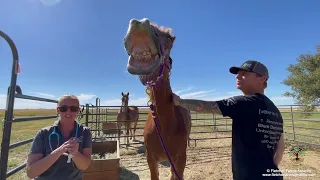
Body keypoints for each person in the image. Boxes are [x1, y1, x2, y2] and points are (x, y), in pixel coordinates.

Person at [172, 60, 285, 180]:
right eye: (238, 73)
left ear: (262, 79)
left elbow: (206, 107)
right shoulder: (275, 111)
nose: (237, 76)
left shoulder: (245, 102)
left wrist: (179, 102)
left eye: (244, 73)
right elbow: (281, 147)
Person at [26, 94, 92, 180]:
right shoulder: (44, 133)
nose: (68, 112)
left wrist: (76, 153)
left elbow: (84, 166)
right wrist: (59, 151)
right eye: (64, 108)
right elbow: (31, 173)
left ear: (78, 111)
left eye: (73, 109)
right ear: (58, 110)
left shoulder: (84, 132)